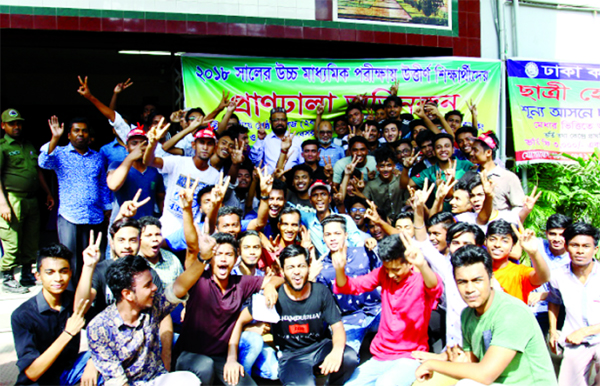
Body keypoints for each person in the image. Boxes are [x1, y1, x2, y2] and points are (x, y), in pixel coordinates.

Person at [174, 183, 284, 386]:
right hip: (190, 356)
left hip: (220, 358)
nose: (223, 259)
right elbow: (191, 248)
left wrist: (269, 285)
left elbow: (278, 278)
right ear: (210, 258)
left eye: (229, 255)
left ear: (236, 260)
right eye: (218, 254)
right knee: (204, 368)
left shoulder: (241, 282)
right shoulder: (200, 279)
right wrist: (187, 209)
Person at [416, 245, 557, 385]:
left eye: (477, 280)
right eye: (462, 282)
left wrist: (431, 364)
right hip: (492, 381)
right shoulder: (467, 314)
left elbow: (485, 375)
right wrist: (458, 359)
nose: (470, 289)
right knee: (425, 382)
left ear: (491, 279)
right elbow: (472, 361)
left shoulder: (511, 312)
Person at [225, 244, 359, 386]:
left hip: (319, 347)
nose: (297, 272)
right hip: (292, 356)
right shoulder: (274, 296)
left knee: (349, 357)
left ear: (308, 267)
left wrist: (336, 351)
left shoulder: (320, 292)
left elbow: (337, 326)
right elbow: (240, 320)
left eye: (301, 266)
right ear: (282, 271)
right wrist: (231, 358)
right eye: (291, 267)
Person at [336, 232, 442, 386]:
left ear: (409, 262)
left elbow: (435, 287)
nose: (391, 275)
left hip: (409, 356)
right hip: (380, 355)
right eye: (387, 269)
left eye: (396, 269)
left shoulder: (421, 280)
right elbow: (351, 286)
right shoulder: (383, 274)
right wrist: (339, 269)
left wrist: (422, 264)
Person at [86, 254, 201, 386]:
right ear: (127, 294)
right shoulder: (99, 327)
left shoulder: (154, 305)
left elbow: (180, 287)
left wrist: (203, 259)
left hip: (156, 379)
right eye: (147, 285)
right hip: (126, 384)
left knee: (189, 380)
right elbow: (117, 381)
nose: (155, 288)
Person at [38, 115, 111, 284]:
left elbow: (102, 184)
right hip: (70, 215)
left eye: (84, 131)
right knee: (71, 259)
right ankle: (71, 299)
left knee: (94, 258)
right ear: (69, 135)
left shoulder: (97, 157)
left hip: (95, 216)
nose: (80, 134)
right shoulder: (60, 153)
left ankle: (94, 296)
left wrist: (107, 206)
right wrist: (55, 138)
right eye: (76, 130)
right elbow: (43, 162)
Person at [11, 244, 90, 385]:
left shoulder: (74, 302)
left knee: (104, 359)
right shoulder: (23, 315)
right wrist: (67, 334)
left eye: (63, 271)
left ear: (70, 273)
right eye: (50, 272)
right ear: (38, 276)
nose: (58, 278)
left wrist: (93, 364)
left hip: (69, 373)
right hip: (40, 381)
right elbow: (31, 373)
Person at [0, 108, 54, 293]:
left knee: (31, 239)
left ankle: (26, 274)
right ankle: (7, 277)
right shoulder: (2, 147)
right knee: (12, 239)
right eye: (12, 124)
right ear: (3, 126)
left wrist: (47, 192)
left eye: (18, 123)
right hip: (12, 199)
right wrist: (2, 203)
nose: (16, 126)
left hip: (31, 200)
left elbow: (38, 171)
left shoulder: (29, 145)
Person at [316, 215, 382, 355]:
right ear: (323, 238)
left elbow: (384, 275)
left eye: (337, 233)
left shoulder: (364, 252)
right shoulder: (321, 268)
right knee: (346, 357)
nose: (333, 238)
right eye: (328, 234)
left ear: (346, 235)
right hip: (350, 320)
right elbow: (325, 304)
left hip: (378, 311)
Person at [143, 123, 220, 237]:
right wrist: (152, 145)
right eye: (201, 143)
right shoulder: (178, 162)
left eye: (209, 144)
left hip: (192, 232)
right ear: (193, 145)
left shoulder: (215, 176)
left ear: (215, 148)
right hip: (167, 229)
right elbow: (149, 162)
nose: (205, 147)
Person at [548, 222, 600, 386]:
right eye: (574, 245)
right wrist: (552, 330)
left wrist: (585, 331)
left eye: (586, 246)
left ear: (595, 249)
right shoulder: (558, 276)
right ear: (566, 246)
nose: (580, 251)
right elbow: (554, 301)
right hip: (574, 342)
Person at [106, 128, 165, 224]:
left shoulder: (154, 170)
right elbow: (113, 185)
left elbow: (161, 199)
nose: (139, 147)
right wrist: (131, 157)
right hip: (122, 223)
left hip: (146, 225)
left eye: (144, 143)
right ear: (126, 148)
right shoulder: (117, 165)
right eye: (134, 143)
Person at [485, 220, 551, 303]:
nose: (497, 245)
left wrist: (534, 253)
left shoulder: (519, 272)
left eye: (504, 241)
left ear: (513, 244)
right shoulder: (478, 270)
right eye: (492, 239)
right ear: (486, 241)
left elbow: (544, 278)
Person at [529, 213, 571, 334]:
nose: (557, 239)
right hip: (536, 307)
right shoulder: (537, 245)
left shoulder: (573, 255)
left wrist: (545, 295)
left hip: (562, 307)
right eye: (552, 234)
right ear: (546, 233)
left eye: (562, 235)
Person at [469, 132, 524, 212]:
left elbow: (519, 207)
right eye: (471, 150)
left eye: (475, 150)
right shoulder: (469, 175)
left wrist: (507, 222)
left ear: (488, 152)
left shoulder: (508, 177)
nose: (471, 153)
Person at [249, 107, 302, 173]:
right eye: (276, 120)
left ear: (286, 121)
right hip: (270, 180)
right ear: (270, 122)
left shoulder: (296, 140)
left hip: (292, 181)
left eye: (283, 120)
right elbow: (254, 161)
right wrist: (260, 140)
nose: (280, 122)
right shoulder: (265, 140)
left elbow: (302, 163)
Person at [363, 146, 408, 220]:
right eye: (382, 166)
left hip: (402, 220)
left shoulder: (400, 180)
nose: (385, 169)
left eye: (389, 165)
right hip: (381, 223)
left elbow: (407, 200)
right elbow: (364, 203)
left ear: (394, 166)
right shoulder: (371, 185)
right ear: (377, 167)